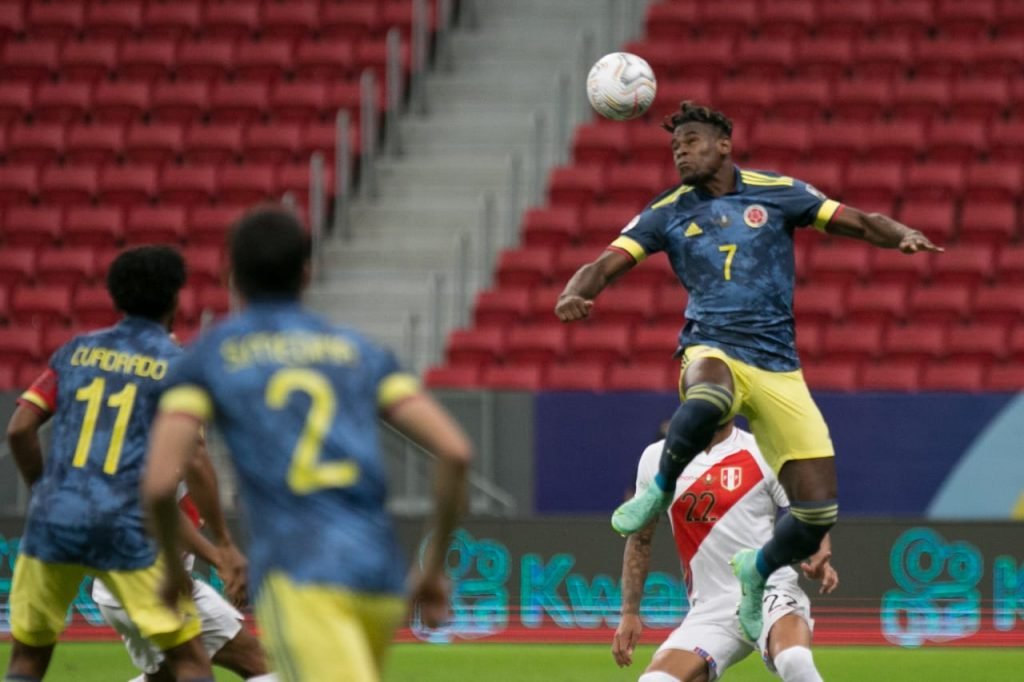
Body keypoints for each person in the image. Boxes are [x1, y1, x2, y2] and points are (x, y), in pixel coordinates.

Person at [556, 101, 941, 641]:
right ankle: (659, 488)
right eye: (674, 146)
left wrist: (900, 232)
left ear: (723, 145)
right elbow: (604, 264)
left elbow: (855, 220)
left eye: (689, 140)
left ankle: (756, 571)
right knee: (707, 395)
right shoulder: (667, 211)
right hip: (712, 345)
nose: (680, 151)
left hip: (779, 366)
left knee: (814, 517)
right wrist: (576, 291)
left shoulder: (777, 191)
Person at [142, 206, 473, 682]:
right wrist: (432, 567)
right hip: (379, 576)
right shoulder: (358, 350)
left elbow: (156, 486)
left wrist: (174, 572)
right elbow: (455, 452)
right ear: (306, 273)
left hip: (300, 575)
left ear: (228, 274)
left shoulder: (208, 358)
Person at [5, 247, 215, 682]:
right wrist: (223, 546)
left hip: (53, 521)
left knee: (27, 660)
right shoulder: (176, 365)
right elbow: (193, 457)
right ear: (176, 300)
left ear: (116, 298)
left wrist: (47, 490)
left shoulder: (75, 353)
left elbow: (19, 430)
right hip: (124, 525)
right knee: (189, 663)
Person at [612, 421, 838, 682]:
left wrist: (819, 550)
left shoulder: (764, 451)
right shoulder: (657, 458)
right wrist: (629, 612)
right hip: (710, 607)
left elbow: (805, 511)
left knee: (794, 660)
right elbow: (640, 539)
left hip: (769, 590)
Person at [93, 472, 275, 682]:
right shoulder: (173, 443)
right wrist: (220, 557)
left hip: (116, 588)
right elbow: (157, 503)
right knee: (257, 661)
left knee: (167, 675)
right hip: (155, 584)